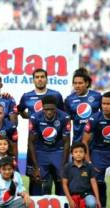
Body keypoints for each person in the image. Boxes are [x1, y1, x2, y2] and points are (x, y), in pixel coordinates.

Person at [18, 68, 64, 196]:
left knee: (58, 176)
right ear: (33, 80)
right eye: (37, 77)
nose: (39, 79)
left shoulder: (56, 95)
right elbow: (20, 111)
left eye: (42, 76)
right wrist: (31, 117)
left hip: (54, 143)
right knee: (35, 176)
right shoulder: (27, 96)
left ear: (46, 78)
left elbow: (62, 115)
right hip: (35, 143)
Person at [28, 95, 71, 195]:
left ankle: (62, 206)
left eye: (52, 109)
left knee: (62, 178)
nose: (49, 112)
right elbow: (31, 142)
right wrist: (35, 166)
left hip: (58, 151)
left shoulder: (65, 117)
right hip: (41, 151)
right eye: (46, 109)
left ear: (56, 108)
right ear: (42, 108)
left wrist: (63, 165)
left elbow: (66, 142)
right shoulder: (35, 117)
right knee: (37, 179)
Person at [62, 142, 101, 208]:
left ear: (85, 154)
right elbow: (64, 184)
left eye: (81, 152)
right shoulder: (67, 167)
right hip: (74, 197)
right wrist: (70, 200)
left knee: (92, 203)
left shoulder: (89, 166)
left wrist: (97, 199)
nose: (78, 154)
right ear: (72, 154)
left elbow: (93, 182)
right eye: (76, 152)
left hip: (87, 194)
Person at [65, 68, 101, 142]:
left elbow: (104, 116)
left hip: (95, 141)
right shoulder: (69, 99)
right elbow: (68, 122)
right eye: (75, 83)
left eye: (80, 83)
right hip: (77, 140)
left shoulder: (97, 96)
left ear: (87, 83)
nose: (77, 86)